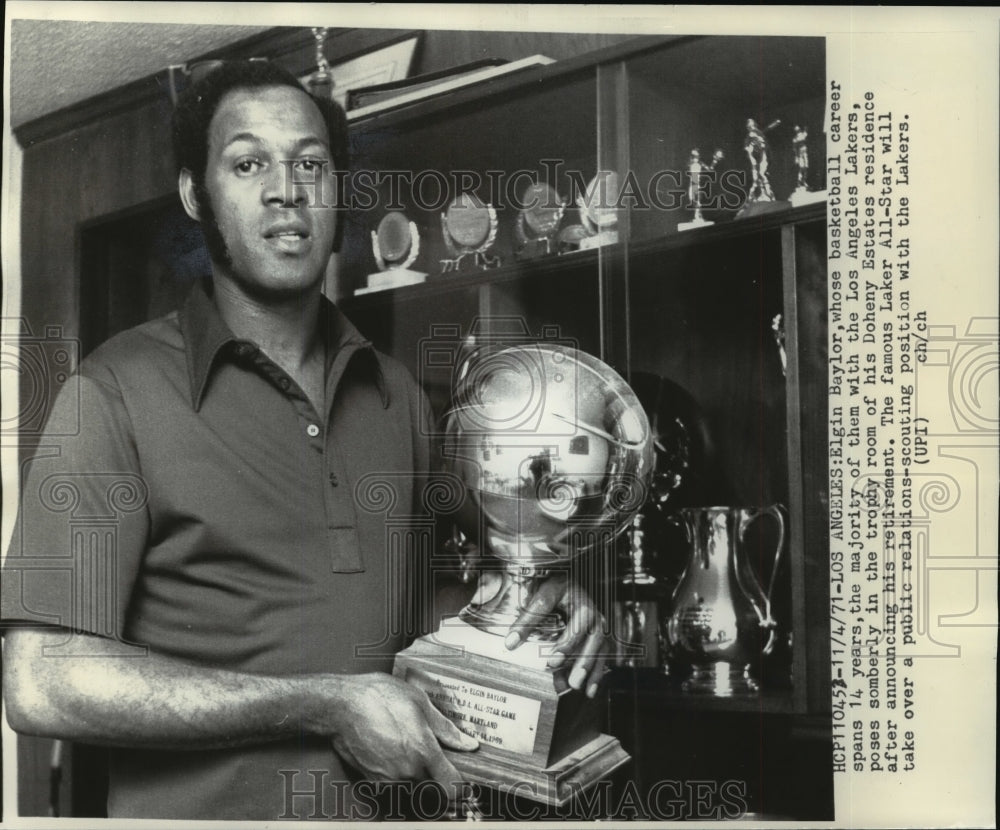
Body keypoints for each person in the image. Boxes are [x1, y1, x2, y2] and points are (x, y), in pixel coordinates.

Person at [1, 60, 607, 821]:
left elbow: (419, 599)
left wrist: (536, 600)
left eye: (310, 163)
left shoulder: (399, 399)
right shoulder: (112, 394)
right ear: (197, 195)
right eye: (249, 162)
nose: (287, 187)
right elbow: (41, 681)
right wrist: (323, 705)